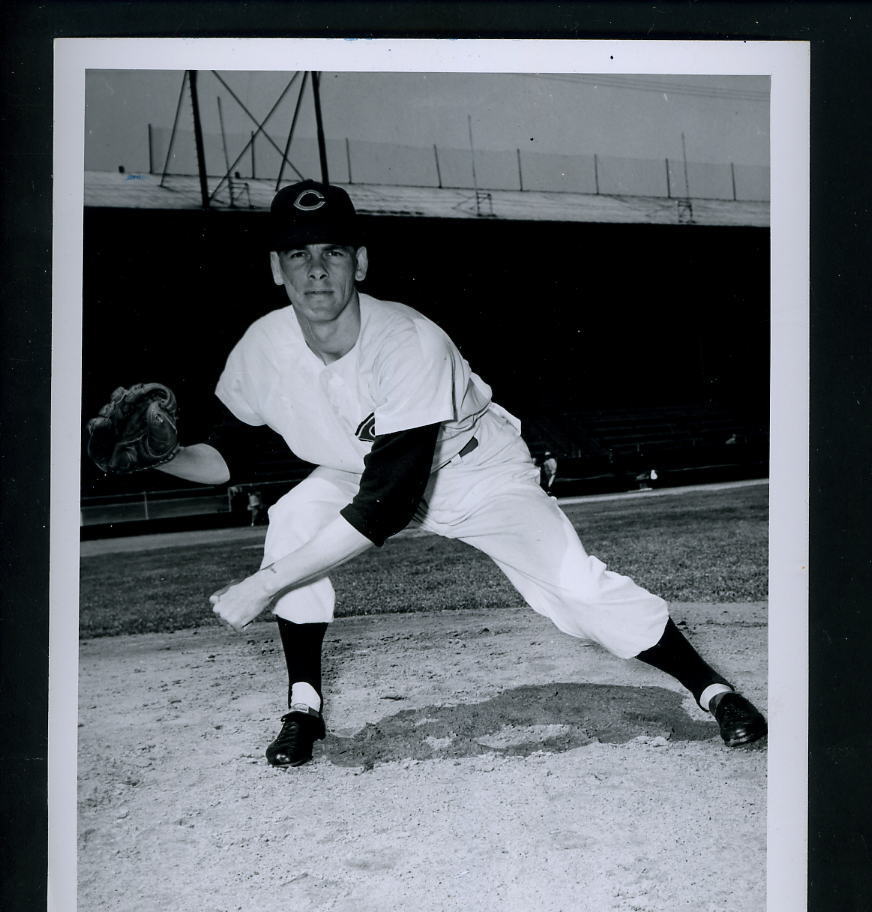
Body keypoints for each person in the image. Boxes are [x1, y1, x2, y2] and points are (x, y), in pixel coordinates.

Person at [155, 179, 766, 766]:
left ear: (359, 263)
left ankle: (714, 691)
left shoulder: (409, 341)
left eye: (333, 251)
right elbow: (228, 457)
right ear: (275, 267)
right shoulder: (261, 348)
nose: (316, 268)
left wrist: (260, 586)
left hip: (474, 471)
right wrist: (162, 457)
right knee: (292, 517)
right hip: (363, 468)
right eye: (299, 252)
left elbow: (389, 505)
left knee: (575, 592)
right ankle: (304, 708)